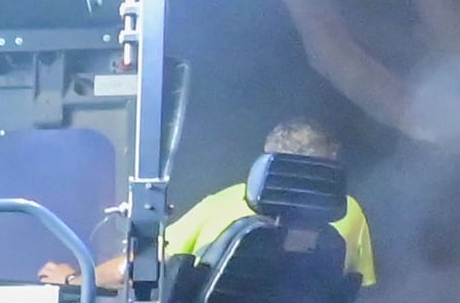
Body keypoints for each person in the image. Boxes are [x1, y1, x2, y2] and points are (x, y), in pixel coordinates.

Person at [161, 117, 379, 287]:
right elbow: (358, 290)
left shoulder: (221, 203)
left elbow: (149, 262)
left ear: (268, 163)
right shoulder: (348, 210)